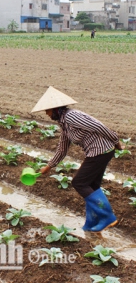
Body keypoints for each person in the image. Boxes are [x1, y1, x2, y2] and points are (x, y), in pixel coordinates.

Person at [31, 86, 122, 233]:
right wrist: (49, 166)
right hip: (98, 152)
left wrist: (115, 140)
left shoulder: (71, 117)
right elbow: (62, 148)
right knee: (91, 186)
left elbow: (98, 126)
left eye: (47, 111)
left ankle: (107, 216)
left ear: (55, 109)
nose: (46, 114)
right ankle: (91, 221)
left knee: (79, 182)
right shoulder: (64, 123)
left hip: (101, 151)